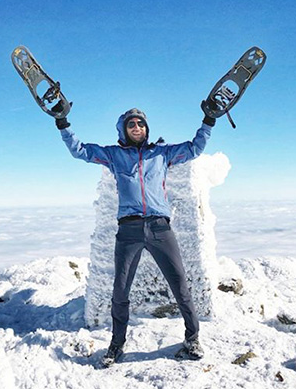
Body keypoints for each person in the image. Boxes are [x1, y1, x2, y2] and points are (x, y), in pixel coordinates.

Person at [56, 105, 217, 367]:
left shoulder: (162, 154)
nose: (137, 128)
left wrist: (208, 120)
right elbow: (80, 151)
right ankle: (117, 345)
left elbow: (194, 148)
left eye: (141, 124)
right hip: (128, 231)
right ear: (124, 129)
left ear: (146, 128)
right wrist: (63, 122)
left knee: (180, 285)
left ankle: (192, 338)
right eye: (131, 125)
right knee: (120, 291)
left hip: (159, 228)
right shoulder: (114, 155)